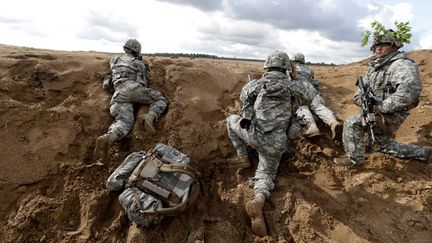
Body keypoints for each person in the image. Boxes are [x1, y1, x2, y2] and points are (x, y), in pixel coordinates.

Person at [226, 50, 316, 236]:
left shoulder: (255, 85)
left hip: (253, 136)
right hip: (277, 143)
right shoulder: (295, 87)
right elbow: (310, 95)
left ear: (266, 66)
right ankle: (258, 199)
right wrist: (295, 77)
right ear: (287, 67)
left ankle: (243, 156)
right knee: (266, 173)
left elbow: (244, 101)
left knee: (230, 120)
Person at [334, 30, 432, 166]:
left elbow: (409, 94)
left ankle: (354, 160)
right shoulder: (376, 66)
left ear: (395, 46)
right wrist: (360, 99)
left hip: (392, 113)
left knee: (352, 122)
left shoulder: (401, 64)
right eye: (375, 46)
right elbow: (361, 90)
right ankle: (422, 152)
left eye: (383, 45)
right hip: (376, 110)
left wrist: (380, 107)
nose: (378, 49)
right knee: (378, 145)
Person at [94, 39, 168, 158]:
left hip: (118, 93)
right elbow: (143, 82)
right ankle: (150, 117)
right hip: (133, 89)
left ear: (125, 48)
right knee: (160, 99)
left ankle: (108, 137)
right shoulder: (138, 63)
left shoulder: (114, 59)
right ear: (137, 51)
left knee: (124, 123)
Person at [106, 143, 200, 227]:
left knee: (116, 188)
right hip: (188, 175)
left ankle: (139, 162)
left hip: (179, 196)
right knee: (157, 149)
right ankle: (142, 158)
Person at [292, 53, 341, 138]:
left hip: (298, 89)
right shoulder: (309, 70)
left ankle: (311, 127)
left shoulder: (290, 69)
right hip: (311, 89)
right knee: (318, 106)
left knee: (302, 107)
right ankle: (333, 122)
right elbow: (314, 83)